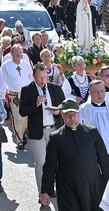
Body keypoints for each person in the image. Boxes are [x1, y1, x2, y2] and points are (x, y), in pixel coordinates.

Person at [19, 63, 65, 196]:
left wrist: (59, 111)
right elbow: (22, 112)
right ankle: (42, 192)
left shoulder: (55, 88)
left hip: (54, 130)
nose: (43, 80)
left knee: (54, 161)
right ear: (33, 77)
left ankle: (52, 188)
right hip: (37, 132)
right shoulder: (27, 90)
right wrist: (36, 104)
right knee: (40, 162)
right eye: (40, 77)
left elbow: (64, 105)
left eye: (45, 77)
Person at [0, 43, 32, 147]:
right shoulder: (6, 66)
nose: (18, 54)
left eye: (20, 52)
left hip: (26, 94)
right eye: (16, 52)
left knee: (25, 116)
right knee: (17, 117)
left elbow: (31, 77)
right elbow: (2, 82)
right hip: (14, 95)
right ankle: (19, 139)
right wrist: (3, 97)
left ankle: (23, 133)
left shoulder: (26, 64)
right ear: (11, 53)